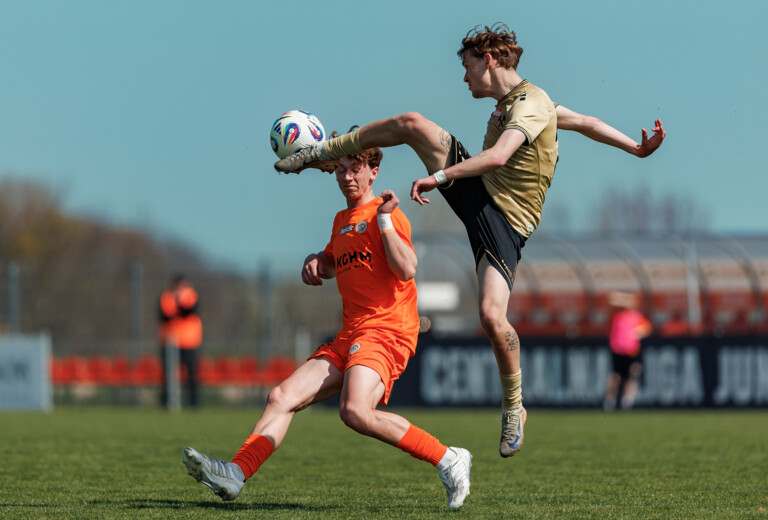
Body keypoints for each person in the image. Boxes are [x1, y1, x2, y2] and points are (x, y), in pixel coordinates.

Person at [274, 23, 666, 459]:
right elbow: (586, 122)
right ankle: (323, 152)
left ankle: (514, 405)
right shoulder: (513, 104)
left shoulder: (532, 104)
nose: (463, 78)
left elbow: (498, 156)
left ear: (489, 61)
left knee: (491, 317)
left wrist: (438, 177)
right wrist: (635, 147)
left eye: (467, 67)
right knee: (413, 123)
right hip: (480, 193)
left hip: (504, 221)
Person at [183, 148, 473, 508]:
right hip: (350, 334)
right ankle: (235, 474)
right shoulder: (341, 220)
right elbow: (335, 261)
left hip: (386, 330)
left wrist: (383, 220)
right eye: (340, 170)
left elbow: (407, 269)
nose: (347, 177)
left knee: (355, 411)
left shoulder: (388, 213)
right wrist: (316, 261)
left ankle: (449, 458)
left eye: (355, 170)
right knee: (281, 397)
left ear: (373, 173)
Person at [603, 292, 652, 410]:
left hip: (632, 350)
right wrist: (621, 299)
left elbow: (647, 328)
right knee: (615, 376)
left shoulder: (637, 317)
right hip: (618, 350)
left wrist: (638, 333)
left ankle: (627, 401)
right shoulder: (616, 316)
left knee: (633, 373)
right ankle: (610, 400)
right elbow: (609, 301)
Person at [159, 275, 203, 408]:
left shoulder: (191, 296)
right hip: (171, 341)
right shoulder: (167, 297)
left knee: (191, 374)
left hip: (189, 341)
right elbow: (164, 316)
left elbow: (189, 311)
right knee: (168, 374)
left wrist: (178, 302)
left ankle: (193, 403)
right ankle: (167, 402)